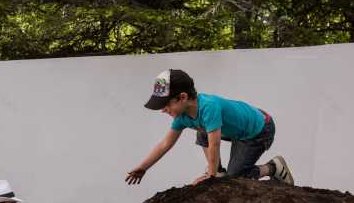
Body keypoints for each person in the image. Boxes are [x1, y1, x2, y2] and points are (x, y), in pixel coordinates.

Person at [125, 69, 294, 187]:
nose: (163, 110)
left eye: (166, 104)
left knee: (236, 177)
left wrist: (211, 179)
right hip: (235, 129)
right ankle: (218, 171)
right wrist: (143, 168)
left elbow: (215, 144)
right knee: (203, 132)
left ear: (182, 97)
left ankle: (273, 167)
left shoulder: (208, 107)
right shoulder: (182, 117)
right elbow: (165, 144)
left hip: (259, 129)